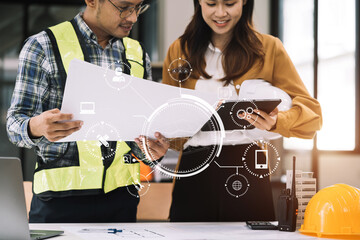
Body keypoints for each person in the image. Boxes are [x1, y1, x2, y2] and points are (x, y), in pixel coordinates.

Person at [7, 0, 169, 223]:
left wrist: (152, 151)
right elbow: (15, 124)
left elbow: (137, 141)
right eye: (124, 7)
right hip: (58, 203)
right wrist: (37, 126)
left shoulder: (137, 54)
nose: (132, 17)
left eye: (138, 7)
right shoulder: (43, 46)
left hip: (122, 203)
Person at [162, 0, 322, 221]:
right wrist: (164, 136)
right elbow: (167, 122)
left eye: (229, 3)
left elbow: (312, 117)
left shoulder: (269, 48)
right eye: (211, 4)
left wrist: (277, 121)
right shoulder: (179, 50)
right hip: (194, 169)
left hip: (248, 166)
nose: (220, 13)